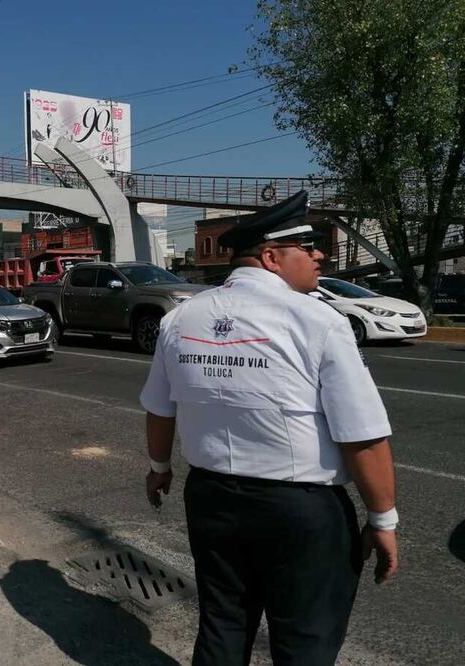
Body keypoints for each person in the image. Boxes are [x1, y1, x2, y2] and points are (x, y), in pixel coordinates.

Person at [140, 191, 398, 666]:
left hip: (212, 498)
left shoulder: (180, 318)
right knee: (305, 640)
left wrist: (159, 468)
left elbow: (160, 408)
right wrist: (383, 519)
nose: (320, 254)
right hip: (298, 511)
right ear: (272, 257)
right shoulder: (317, 320)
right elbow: (362, 434)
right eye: (308, 244)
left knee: (222, 625)